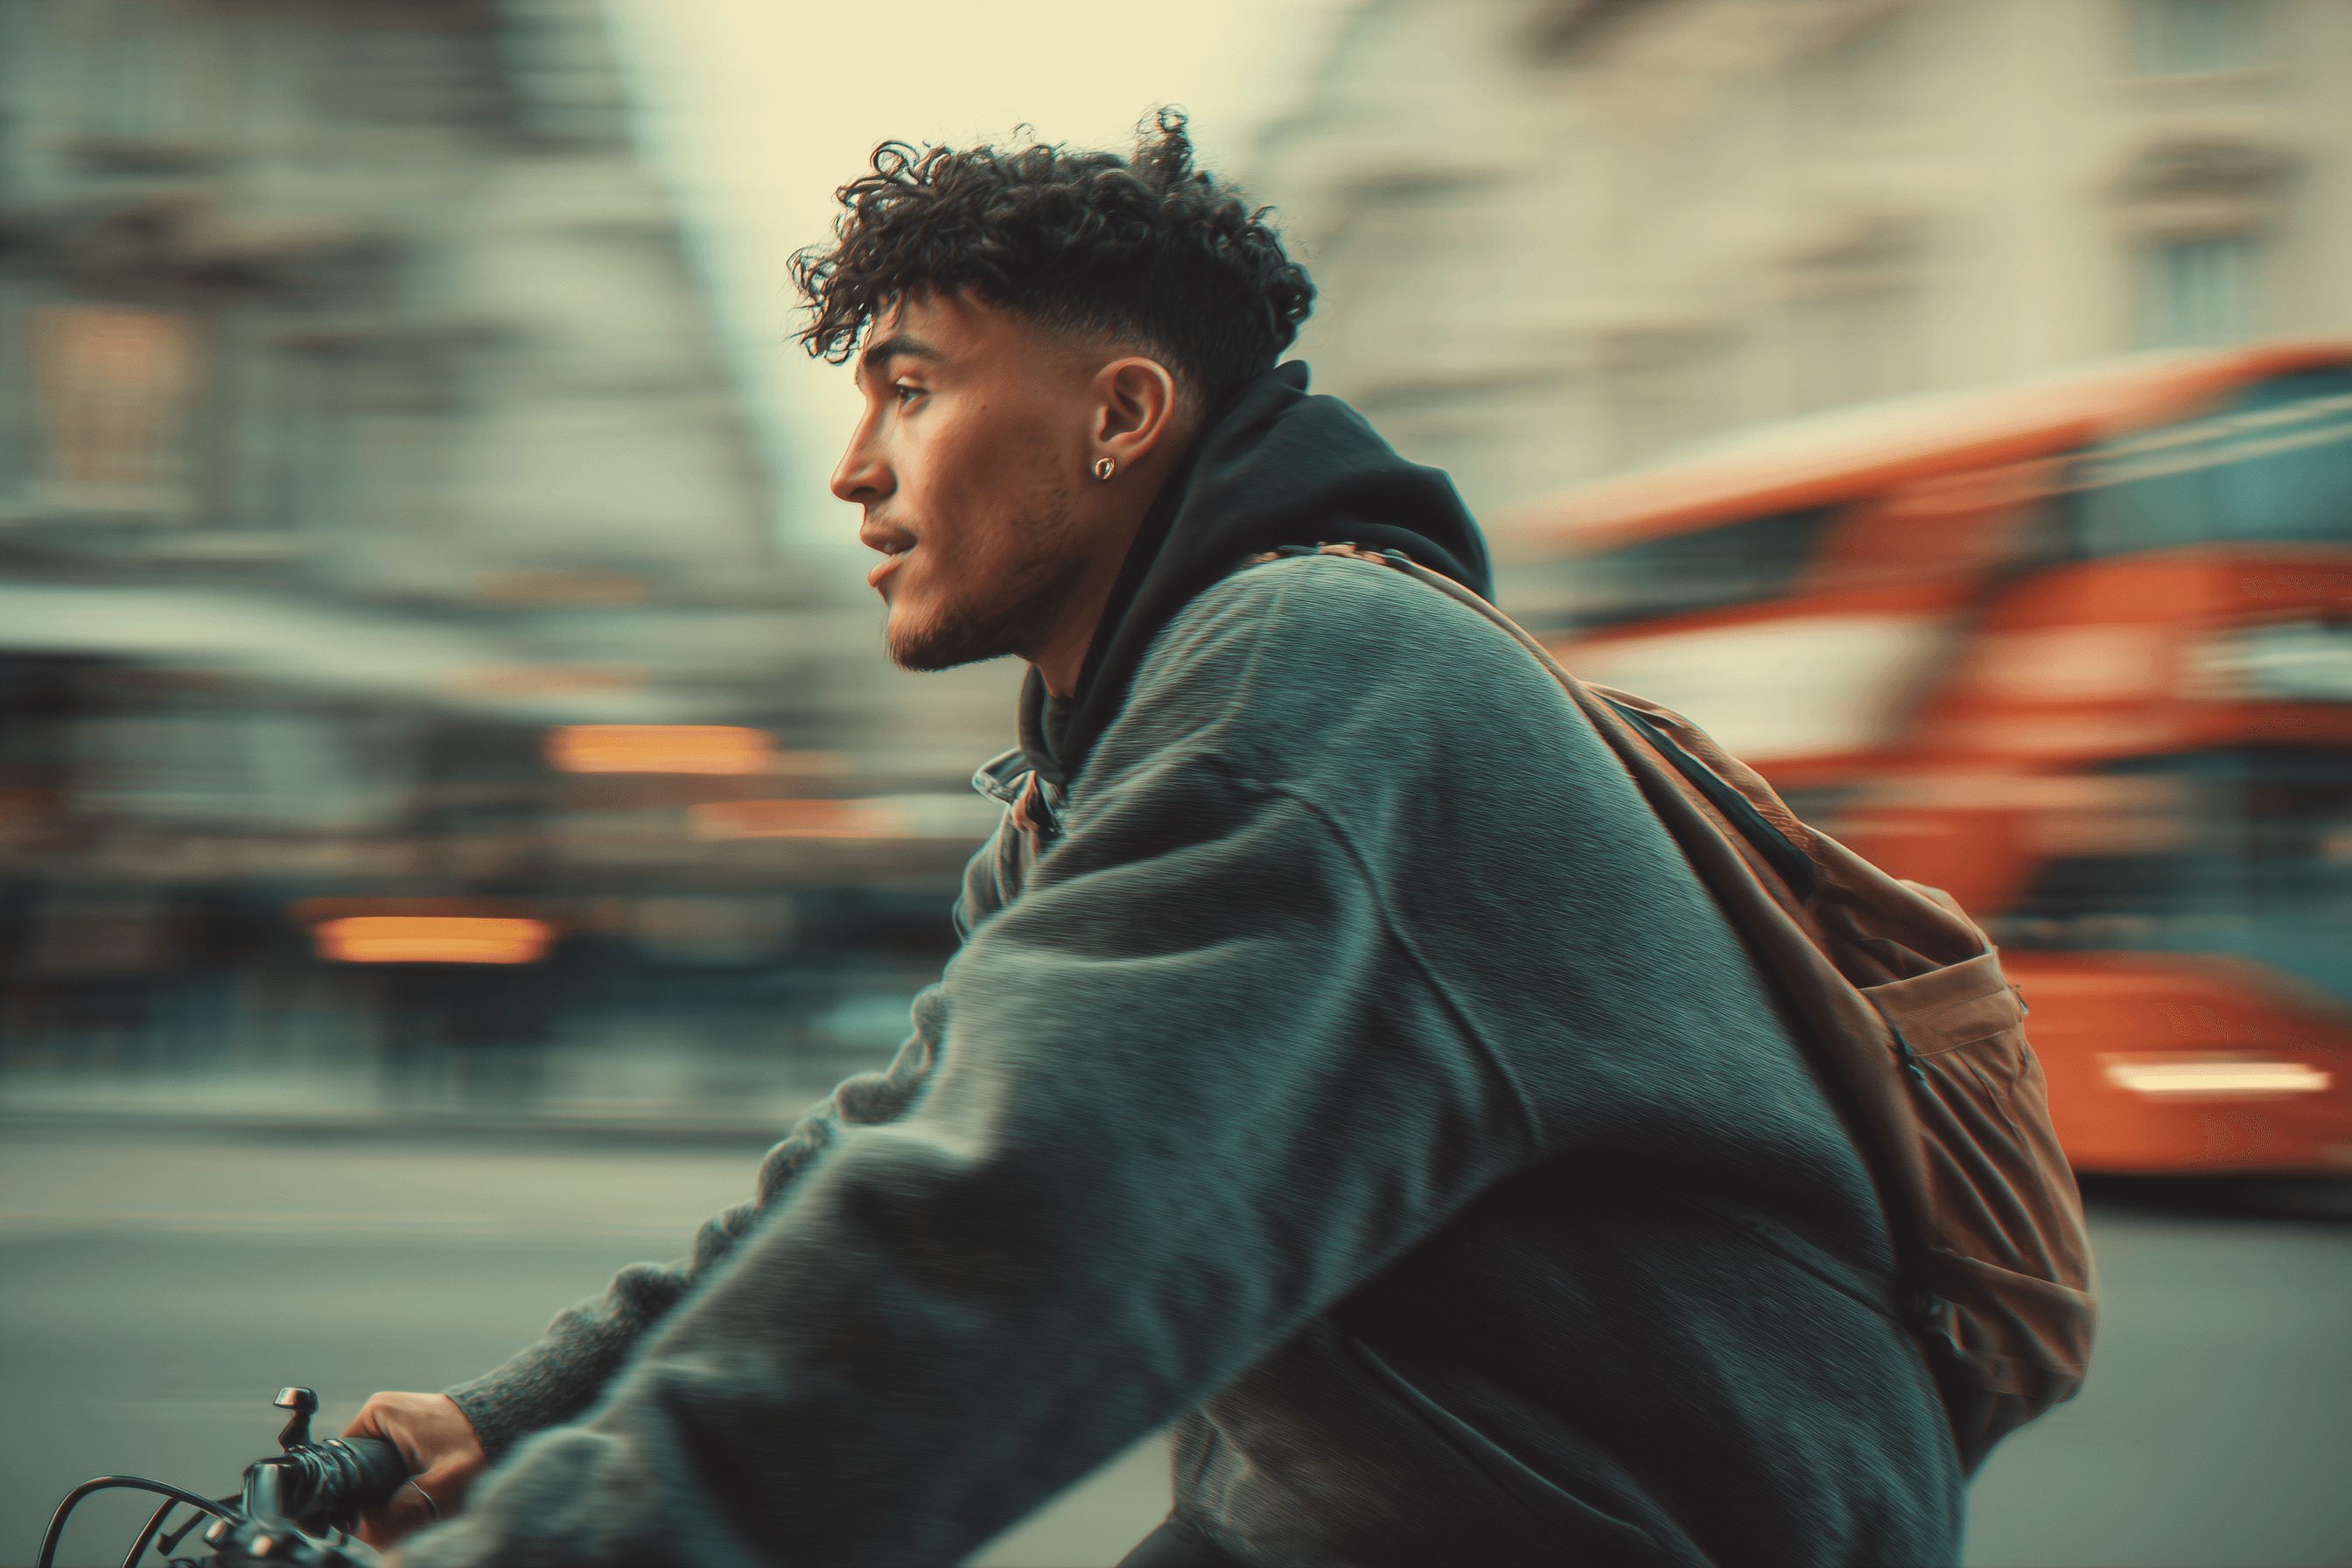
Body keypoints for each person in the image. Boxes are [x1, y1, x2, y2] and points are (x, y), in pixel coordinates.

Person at [346, 112, 1964, 1568]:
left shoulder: (1324, 674)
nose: (855, 472)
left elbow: (1006, 1236)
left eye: (909, 391)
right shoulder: (1098, 775)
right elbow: (891, 1151)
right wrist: (528, 1413)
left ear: (1122, 412)